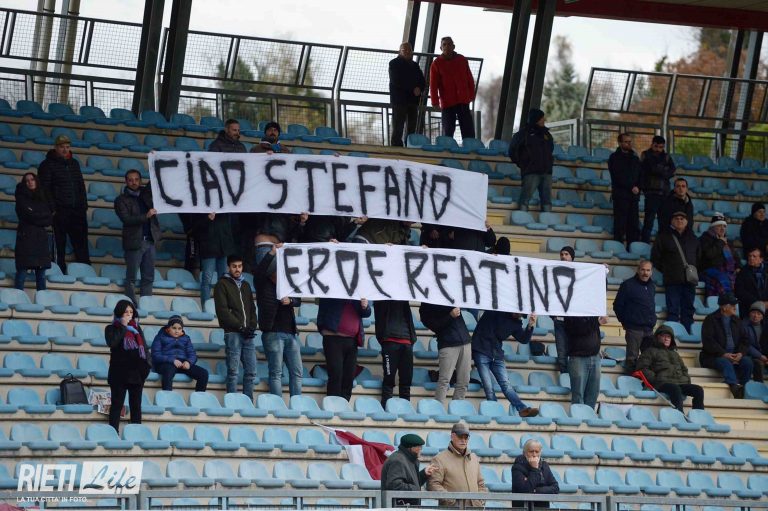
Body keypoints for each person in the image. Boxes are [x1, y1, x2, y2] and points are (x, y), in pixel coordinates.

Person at [254, 242, 303, 397]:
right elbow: (260, 271)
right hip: (273, 332)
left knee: (297, 372)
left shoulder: (288, 284)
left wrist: (291, 300)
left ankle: (297, 404)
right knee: (276, 372)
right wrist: (272, 253)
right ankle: (278, 405)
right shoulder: (263, 283)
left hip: (291, 333)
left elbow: (298, 299)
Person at [471, 310, 540, 417]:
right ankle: (494, 410)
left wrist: (530, 326)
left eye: (521, 314)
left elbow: (524, 339)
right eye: (519, 313)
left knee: (506, 384)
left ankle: (522, 409)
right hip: (481, 350)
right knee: (488, 386)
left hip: (496, 354)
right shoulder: (495, 311)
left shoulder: (515, 323)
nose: (519, 315)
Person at [37, 134, 89, 272]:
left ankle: (85, 270)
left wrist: (83, 205)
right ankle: (59, 271)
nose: (65, 150)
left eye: (67, 147)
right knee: (59, 244)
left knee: (82, 244)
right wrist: (53, 209)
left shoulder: (74, 163)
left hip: (77, 210)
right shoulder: (46, 165)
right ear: (56, 147)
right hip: (60, 211)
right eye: (62, 147)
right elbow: (44, 189)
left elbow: (81, 185)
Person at [213, 255, 258, 399]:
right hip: (233, 333)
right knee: (233, 372)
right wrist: (240, 327)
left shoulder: (246, 285)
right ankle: (232, 401)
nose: (237, 269)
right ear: (228, 267)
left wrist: (252, 326)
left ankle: (248, 402)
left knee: (251, 372)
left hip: (248, 334)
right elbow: (222, 311)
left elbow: (252, 309)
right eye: (234, 266)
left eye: (239, 266)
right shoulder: (221, 284)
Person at [114, 169, 160, 304]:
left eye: (136, 179)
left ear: (140, 180)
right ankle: (131, 307)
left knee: (149, 277)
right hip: (134, 242)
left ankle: (146, 304)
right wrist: (146, 216)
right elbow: (127, 219)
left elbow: (156, 180)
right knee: (131, 277)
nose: (134, 182)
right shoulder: (120, 200)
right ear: (126, 182)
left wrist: (156, 165)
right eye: (130, 180)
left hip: (150, 240)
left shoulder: (146, 194)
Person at [104, 299, 150, 432]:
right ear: (119, 313)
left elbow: (144, 348)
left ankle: (136, 434)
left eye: (131, 312)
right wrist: (123, 327)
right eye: (126, 312)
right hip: (119, 373)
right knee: (117, 405)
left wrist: (146, 367)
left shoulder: (137, 329)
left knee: (136, 406)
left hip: (137, 373)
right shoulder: (111, 328)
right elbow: (112, 342)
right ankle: (113, 433)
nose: (129, 315)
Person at [635, 325, 704, 412]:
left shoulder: (675, 354)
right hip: (662, 383)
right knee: (675, 389)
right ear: (657, 337)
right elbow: (642, 368)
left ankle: (698, 415)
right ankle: (679, 414)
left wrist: (686, 379)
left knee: (698, 390)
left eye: (669, 337)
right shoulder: (649, 351)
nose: (667, 339)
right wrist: (656, 379)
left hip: (679, 382)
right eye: (664, 336)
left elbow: (684, 369)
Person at [651, 211, 699, 333]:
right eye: (676, 218)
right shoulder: (663, 237)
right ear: (672, 221)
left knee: (688, 310)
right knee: (672, 310)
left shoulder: (693, 238)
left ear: (687, 221)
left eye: (682, 218)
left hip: (690, 280)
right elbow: (655, 257)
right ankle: (672, 334)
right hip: (672, 280)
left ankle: (687, 333)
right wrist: (667, 270)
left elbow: (699, 257)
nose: (679, 220)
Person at [317, 296, 371, 401]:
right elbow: (320, 300)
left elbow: (367, 313)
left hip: (352, 340)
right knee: (336, 374)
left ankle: (344, 404)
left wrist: (365, 306)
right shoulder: (334, 289)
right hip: (333, 337)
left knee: (349, 376)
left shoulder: (358, 292)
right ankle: (333, 405)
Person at [700, 293, 753, 398]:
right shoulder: (710, 319)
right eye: (732, 305)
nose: (735, 307)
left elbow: (745, 340)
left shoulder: (737, 320)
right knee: (725, 362)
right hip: (713, 356)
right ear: (724, 307)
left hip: (733, 355)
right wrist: (723, 354)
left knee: (747, 362)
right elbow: (708, 341)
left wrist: (741, 353)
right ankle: (734, 388)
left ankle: (743, 387)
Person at [419, 303, 471, 405]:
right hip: (447, 344)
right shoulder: (426, 307)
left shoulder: (449, 298)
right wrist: (450, 316)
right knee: (444, 381)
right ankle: (439, 409)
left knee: (464, 381)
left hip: (465, 342)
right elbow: (435, 326)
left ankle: (457, 409)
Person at [427, 423, 486, 508]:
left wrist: (480, 500)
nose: (463, 440)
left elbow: (481, 484)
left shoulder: (474, 458)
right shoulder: (439, 459)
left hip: (475, 508)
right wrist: (452, 501)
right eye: (460, 437)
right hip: (452, 509)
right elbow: (433, 484)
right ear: (452, 436)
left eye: (466, 437)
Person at [613, 260, 656, 372]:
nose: (645, 273)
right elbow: (617, 305)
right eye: (643, 270)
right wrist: (625, 322)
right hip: (634, 329)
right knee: (632, 359)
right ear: (638, 270)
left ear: (651, 272)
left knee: (649, 360)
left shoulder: (652, 286)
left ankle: (644, 380)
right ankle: (630, 380)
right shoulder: (627, 285)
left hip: (649, 329)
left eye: (648, 270)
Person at [429, 36, 476, 139]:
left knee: (468, 129)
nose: (447, 46)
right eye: (444, 45)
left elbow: (470, 79)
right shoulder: (436, 64)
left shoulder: (462, 59)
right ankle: (447, 147)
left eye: (449, 44)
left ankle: (470, 147)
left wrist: (471, 95)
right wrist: (435, 102)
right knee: (448, 130)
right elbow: (433, 85)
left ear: (453, 46)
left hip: (463, 100)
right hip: (447, 102)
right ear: (441, 48)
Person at [508, 108, 554, 212]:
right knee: (525, 199)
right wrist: (524, 164)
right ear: (536, 119)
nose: (544, 120)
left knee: (547, 200)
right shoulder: (523, 134)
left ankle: (547, 220)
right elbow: (512, 151)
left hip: (547, 172)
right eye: (542, 118)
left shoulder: (547, 134)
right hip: (531, 172)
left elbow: (551, 149)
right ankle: (521, 219)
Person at [14, 172, 52, 291]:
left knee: (41, 276)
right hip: (26, 238)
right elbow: (27, 215)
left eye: (32, 179)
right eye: (27, 180)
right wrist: (40, 216)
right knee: (22, 274)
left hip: (40, 240)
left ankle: (42, 300)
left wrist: (35, 214)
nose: (30, 182)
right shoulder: (21, 199)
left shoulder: (42, 197)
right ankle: (17, 298)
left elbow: (49, 219)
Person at [376, 299, 417, 407]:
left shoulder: (404, 296)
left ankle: (405, 410)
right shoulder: (382, 299)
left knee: (406, 382)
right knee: (389, 380)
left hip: (407, 342)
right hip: (390, 341)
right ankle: (386, 410)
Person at [151, 316, 209, 392]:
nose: (177, 331)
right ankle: (167, 396)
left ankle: (199, 397)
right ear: (168, 328)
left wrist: (188, 362)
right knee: (168, 371)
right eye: (174, 328)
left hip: (182, 364)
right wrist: (172, 360)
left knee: (203, 373)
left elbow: (192, 354)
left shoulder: (186, 338)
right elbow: (155, 355)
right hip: (166, 364)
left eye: (179, 328)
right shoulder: (160, 337)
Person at [192, 211, 236, 304]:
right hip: (209, 248)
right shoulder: (201, 210)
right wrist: (207, 219)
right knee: (207, 279)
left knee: (223, 280)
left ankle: (222, 306)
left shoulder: (225, 212)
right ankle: (206, 307)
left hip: (223, 248)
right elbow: (195, 229)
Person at [380, 433, 436, 506]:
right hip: (399, 507)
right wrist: (416, 489)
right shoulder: (398, 460)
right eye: (419, 447)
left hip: (407, 506)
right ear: (410, 448)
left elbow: (410, 481)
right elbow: (394, 485)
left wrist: (424, 474)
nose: (420, 449)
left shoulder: (409, 459)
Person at [564, 315, 606, 409]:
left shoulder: (593, 312)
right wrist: (597, 323)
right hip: (578, 357)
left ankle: (588, 416)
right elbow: (577, 329)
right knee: (578, 395)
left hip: (595, 356)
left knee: (593, 393)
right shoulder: (571, 312)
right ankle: (579, 417)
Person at [389, 42, 426, 147]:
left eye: (409, 50)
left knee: (412, 127)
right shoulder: (394, 63)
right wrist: (414, 88)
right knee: (398, 126)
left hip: (413, 101)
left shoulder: (415, 65)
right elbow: (396, 81)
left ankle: (410, 146)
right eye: (404, 50)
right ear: (399, 51)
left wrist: (420, 88)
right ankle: (396, 148)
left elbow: (422, 80)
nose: (407, 52)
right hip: (399, 101)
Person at [639, 135, 676, 243]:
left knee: (663, 222)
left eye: (661, 147)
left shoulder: (667, 156)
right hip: (651, 192)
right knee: (649, 221)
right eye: (657, 146)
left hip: (664, 193)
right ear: (652, 144)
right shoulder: (645, 155)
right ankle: (645, 243)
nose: (659, 149)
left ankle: (662, 244)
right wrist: (663, 169)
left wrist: (660, 170)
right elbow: (649, 169)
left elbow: (672, 170)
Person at [608, 133, 642, 246]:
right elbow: (617, 176)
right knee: (620, 224)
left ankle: (632, 248)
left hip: (633, 197)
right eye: (626, 142)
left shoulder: (635, 158)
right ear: (620, 143)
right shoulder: (614, 158)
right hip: (621, 196)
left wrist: (638, 186)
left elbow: (640, 175)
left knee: (633, 225)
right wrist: (632, 187)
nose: (629, 144)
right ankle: (618, 247)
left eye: (630, 142)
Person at [699, 213, 740, 297]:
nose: (722, 228)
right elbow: (709, 255)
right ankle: (727, 301)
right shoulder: (704, 239)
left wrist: (738, 267)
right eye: (719, 226)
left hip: (727, 270)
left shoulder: (727, 241)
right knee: (723, 279)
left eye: (724, 226)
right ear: (712, 227)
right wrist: (720, 242)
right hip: (709, 269)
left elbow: (736, 257)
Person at [511, 439, 559, 506]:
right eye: (531, 451)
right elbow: (525, 490)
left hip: (542, 507)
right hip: (524, 508)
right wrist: (534, 469)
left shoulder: (544, 466)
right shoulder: (517, 467)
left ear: (540, 453)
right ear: (524, 453)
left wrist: (536, 490)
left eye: (537, 452)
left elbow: (555, 488)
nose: (534, 455)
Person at [552, 246, 575, 373]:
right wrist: (553, 316)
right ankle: (564, 378)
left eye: (566, 254)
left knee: (574, 353)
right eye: (562, 254)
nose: (563, 257)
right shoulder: (553, 271)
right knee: (561, 354)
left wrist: (602, 271)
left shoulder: (581, 272)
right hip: (560, 321)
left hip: (575, 321)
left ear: (572, 257)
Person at [735, 247, 768, 319]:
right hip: (749, 309)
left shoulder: (766, 271)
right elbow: (739, 291)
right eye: (750, 256)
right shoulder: (743, 272)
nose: (751, 258)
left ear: (761, 259)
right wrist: (758, 303)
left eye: (754, 256)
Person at [743, 302, 768, 383]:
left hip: (764, 356)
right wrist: (760, 356)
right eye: (753, 312)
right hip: (750, 355)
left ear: (762, 316)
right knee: (758, 364)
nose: (755, 316)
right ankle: (759, 387)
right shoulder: (743, 326)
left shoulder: (765, 327)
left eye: (759, 314)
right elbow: (746, 345)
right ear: (749, 314)